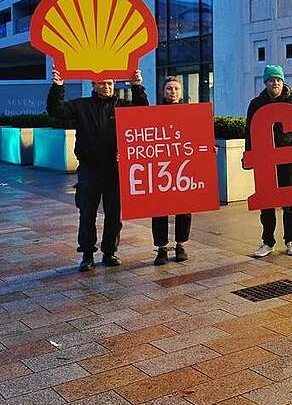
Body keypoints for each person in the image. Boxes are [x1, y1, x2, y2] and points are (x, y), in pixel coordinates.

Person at [47, 68, 149, 271]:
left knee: (114, 214)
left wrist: (137, 86)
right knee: (87, 214)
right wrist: (57, 87)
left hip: (115, 169)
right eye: (102, 83)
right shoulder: (81, 105)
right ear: (93, 84)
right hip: (89, 169)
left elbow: (142, 112)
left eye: (110, 83)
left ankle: (110, 252)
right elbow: (55, 110)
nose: (107, 86)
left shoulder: (122, 106)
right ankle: (87, 255)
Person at [246, 64, 292, 258]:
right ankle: (267, 241)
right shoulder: (256, 104)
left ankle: (291, 240)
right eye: (272, 80)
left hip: (287, 159)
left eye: (279, 80)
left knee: (288, 201)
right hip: (264, 160)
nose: (275, 83)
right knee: (266, 201)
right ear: (265, 82)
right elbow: (249, 131)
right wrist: (249, 155)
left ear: (283, 81)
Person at [152, 77, 192, 265]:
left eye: (176, 88)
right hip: (162, 167)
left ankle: (180, 244)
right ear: (163, 91)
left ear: (181, 92)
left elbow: (197, 137)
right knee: (159, 208)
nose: (173, 92)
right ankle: (161, 248)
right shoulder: (155, 113)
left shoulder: (191, 113)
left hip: (183, 165)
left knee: (184, 208)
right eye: (169, 88)